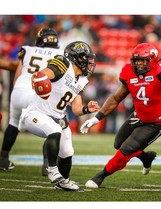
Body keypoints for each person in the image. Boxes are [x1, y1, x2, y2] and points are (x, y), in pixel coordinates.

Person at [80, 42, 161, 189]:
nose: (139, 64)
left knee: (125, 151)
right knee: (118, 144)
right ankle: (146, 157)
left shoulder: (160, 71)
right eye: (137, 60)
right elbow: (116, 97)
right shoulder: (128, 72)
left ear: (153, 59)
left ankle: (100, 176)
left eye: (143, 60)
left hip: (156, 122)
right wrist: (97, 117)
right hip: (139, 115)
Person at [18, 41, 100, 192]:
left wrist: (87, 109)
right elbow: (41, 75)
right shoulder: (64, 63)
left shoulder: (82, 80)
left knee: (67, 152)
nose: (90, 63)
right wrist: (40, 80)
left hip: (58, 118)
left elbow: (76, 109)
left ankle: (64, 181)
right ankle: (52, 170)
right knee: (54, 130)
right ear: (77, 58)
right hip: (37, 114)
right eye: (86, 58)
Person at [0, 28, 63, 174]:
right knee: (51, 127)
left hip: (19, 89)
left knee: (13, 123)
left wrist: (16, 91)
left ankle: (3, 158)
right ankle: (47, 165)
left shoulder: (27, 50)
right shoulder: (60, 54)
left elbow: (17, 73)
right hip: (37, 92)